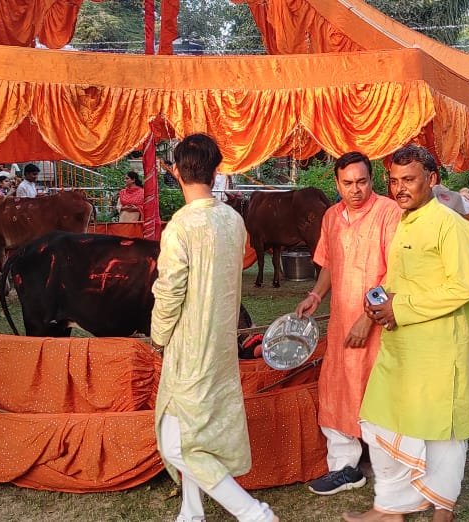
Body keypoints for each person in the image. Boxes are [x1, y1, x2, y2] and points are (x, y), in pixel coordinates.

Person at [150, 134, 277, 522]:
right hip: (222, 342)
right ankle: (191, 513)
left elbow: (169, 292)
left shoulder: (180, 227)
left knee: (179, 443)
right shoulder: (233, 221)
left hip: (190, 346)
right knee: (196, 432)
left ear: (175, 171)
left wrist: (158, 336)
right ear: (216, 169)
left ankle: (253, 513)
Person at [347, 145, 469, 522]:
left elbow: (461, 288)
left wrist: (398, 306)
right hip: (401, 344)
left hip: (439, 347)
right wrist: (380, 298)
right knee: (383, 419)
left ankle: (442, 511)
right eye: (394, 181)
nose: (400, 188)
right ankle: (391, 508)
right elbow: (400, 276)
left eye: (409, 179)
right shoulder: (405, 220)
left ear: (431, 179)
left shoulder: (451, 224)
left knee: (441, 433)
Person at [292, 152, 401, 496]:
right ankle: (344, 468)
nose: (356, 190)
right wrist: (315, 295)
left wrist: (367, 320)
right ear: (337, 184)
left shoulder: (389, 212)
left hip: (379, 323)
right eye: (348, 183)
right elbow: (329, 263)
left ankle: (392, 470)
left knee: (377, 389)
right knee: (337, 388)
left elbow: (396, 273)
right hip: (341, 322)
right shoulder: (332, 216)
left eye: (362, 182)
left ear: (372, 180)